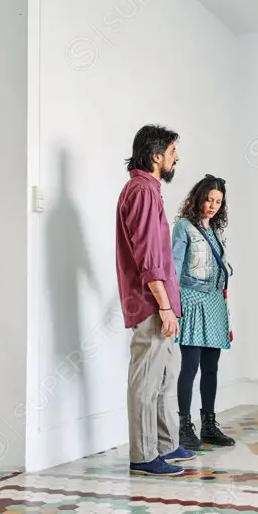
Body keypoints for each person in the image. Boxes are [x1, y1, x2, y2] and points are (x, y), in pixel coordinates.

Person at [116, 124, 197, 476]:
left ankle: (165, 444)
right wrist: (164, 305)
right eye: (173, 151)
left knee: (166, 377)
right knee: (146, 382)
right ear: (156, 156)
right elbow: (148, 256)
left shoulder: (148, 189)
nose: (177, 157)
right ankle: (143, 455)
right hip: (152, 303)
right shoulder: (142, 191)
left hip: (162, 302)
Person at [172, 175, 235, 450]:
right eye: (209, 199)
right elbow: (173, 267)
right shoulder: (184, 227)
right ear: (198, 198)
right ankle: (184, 426)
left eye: (218, 202)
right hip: (192, 300)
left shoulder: (216, 231)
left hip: (214, 303)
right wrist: (172, 306)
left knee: (212, 367)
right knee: (190, 366)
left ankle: (209, 424)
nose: (212, 206)